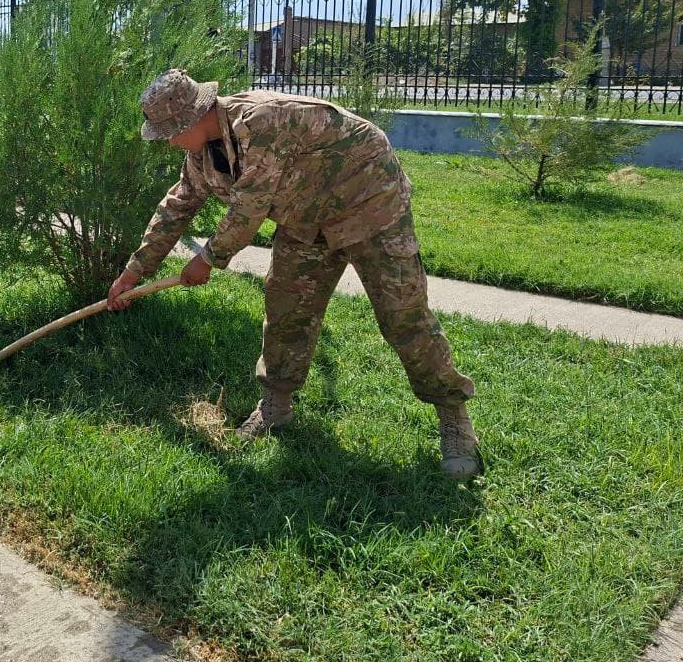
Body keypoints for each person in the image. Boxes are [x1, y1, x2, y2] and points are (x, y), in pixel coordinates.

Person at [107, 69, 480, 479]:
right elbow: (177, 205)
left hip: (369, 202)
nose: (167, 141)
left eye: (170, 132)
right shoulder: (201, 153)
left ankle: (453, 416)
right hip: (305, 218)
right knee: (286, 307)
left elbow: (248, 209)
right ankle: (276, 405)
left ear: (192, 119)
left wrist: (208, 258)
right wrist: (135, 271)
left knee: (402, 313)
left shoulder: (261, 123)